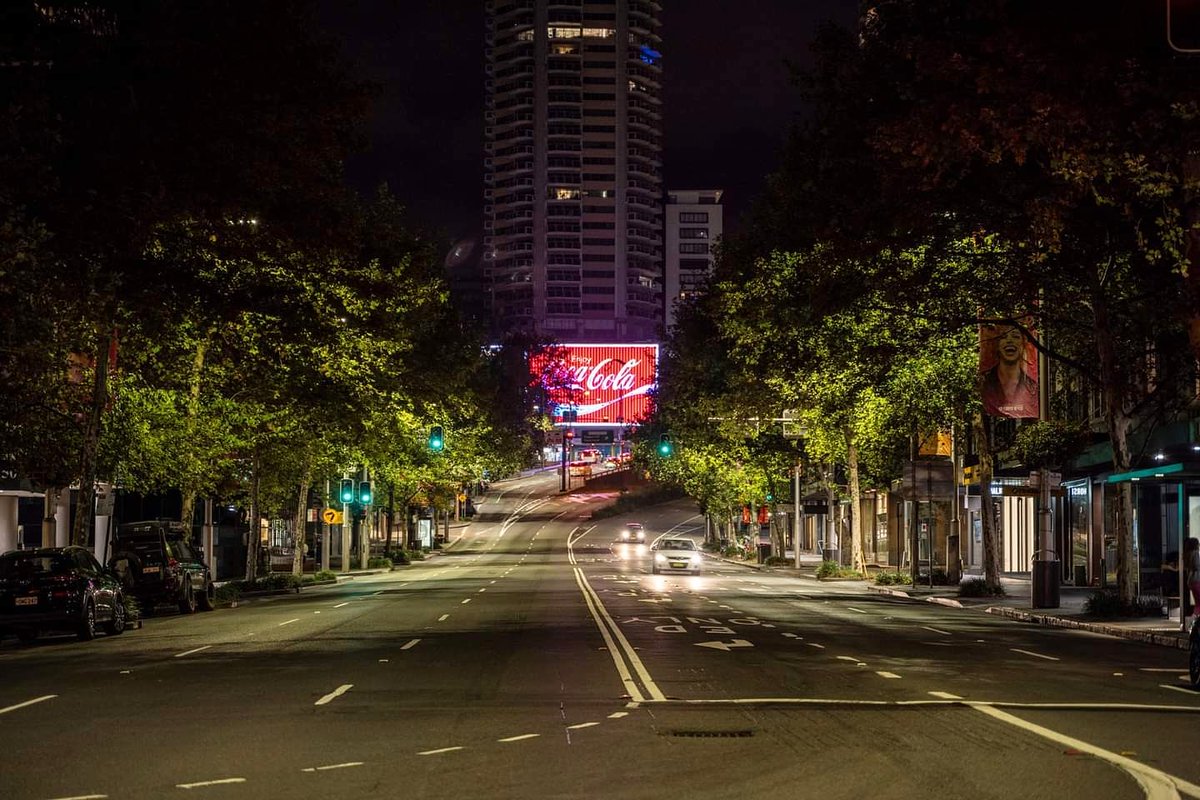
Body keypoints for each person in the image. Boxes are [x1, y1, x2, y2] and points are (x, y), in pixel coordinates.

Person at [980, 322, 1039, 418]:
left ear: (1023, 345)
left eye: (1015, 336)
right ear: (997, 345)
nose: (1009, 341)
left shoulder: (1033, 387)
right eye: (1003, 337)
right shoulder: (984, 383)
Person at [1184, 537, 1200, 621]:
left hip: (1191, 581)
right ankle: (1192, 622)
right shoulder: (1195, 553)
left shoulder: (1188, 554)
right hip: (1197, 580)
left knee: (1198, 604)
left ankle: (1192, 621)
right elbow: (1197, 566)